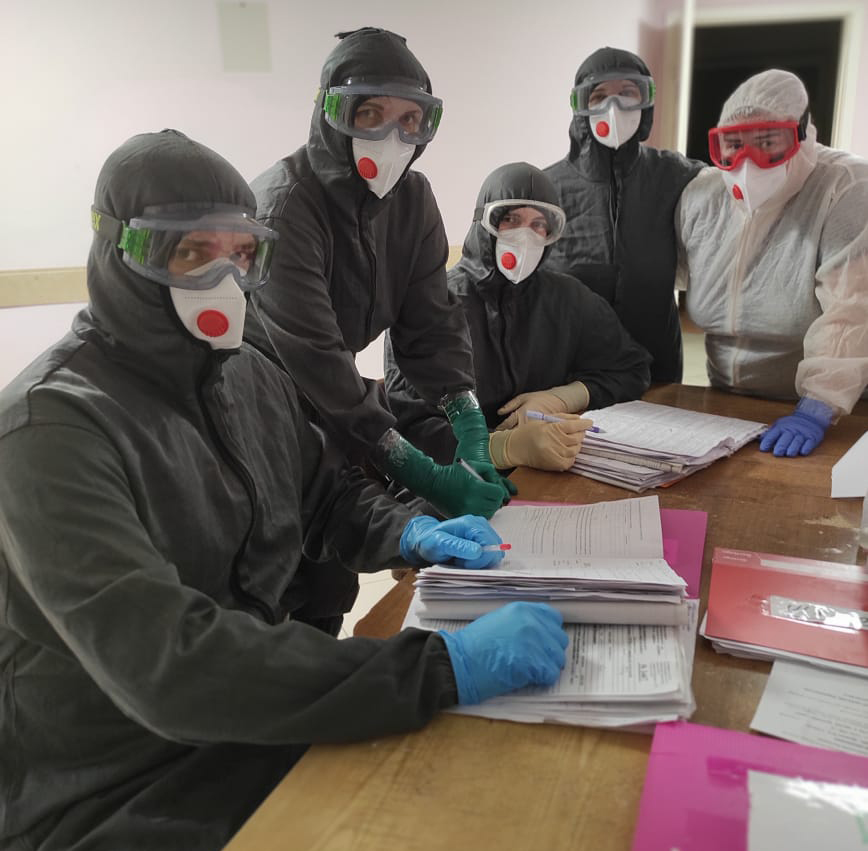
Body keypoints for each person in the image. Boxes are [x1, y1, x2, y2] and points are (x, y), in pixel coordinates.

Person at [0, 130, 570, 851]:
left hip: (246, 726)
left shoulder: (247, 372)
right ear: (122, 255)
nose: (224, 278)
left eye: (241, 253)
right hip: (110, 788)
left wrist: (408, 530)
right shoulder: (49, 431)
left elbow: (325, 494)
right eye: (191, 252)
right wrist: (438, 667)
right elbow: (171, 664)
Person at [245, 27, 511, 519]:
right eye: (370, 114)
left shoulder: (413, 199)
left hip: (329, 392)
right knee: (292, 535)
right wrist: (422, 473)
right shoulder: (283, 210)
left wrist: (471, 427)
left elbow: (432, 326)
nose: (393, 138)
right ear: (332, 115)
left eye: (410, 120)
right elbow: (318, 362)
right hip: (256, 399)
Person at [385, 162, 651, 472]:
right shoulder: (432, 305)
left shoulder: (568, 299)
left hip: (546, 474)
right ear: (483, 223)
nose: (526, 236)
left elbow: (631, 368)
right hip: (456, 481)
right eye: (511, 219)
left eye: (539, 224)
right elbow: (407, 424)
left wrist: (562, 398)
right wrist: (501, 448)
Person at [677, 69, 868, 457]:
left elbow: (851, 312)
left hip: (828, 413)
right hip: (724, 402)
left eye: (767, 142)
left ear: (802, 133)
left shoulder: (845, 188)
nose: (748, 162)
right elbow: (668, 279)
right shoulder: (702, 197)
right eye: (733, 145)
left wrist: (818, 407)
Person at [543, 47, 704, 383]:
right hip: (575, 363)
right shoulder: (548, 187)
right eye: (599, 96)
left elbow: (730, 198)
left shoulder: (674, 174)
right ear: (580, 106)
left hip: (656, 357)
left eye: (628, 93)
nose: (613, 108)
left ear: (646, 101)